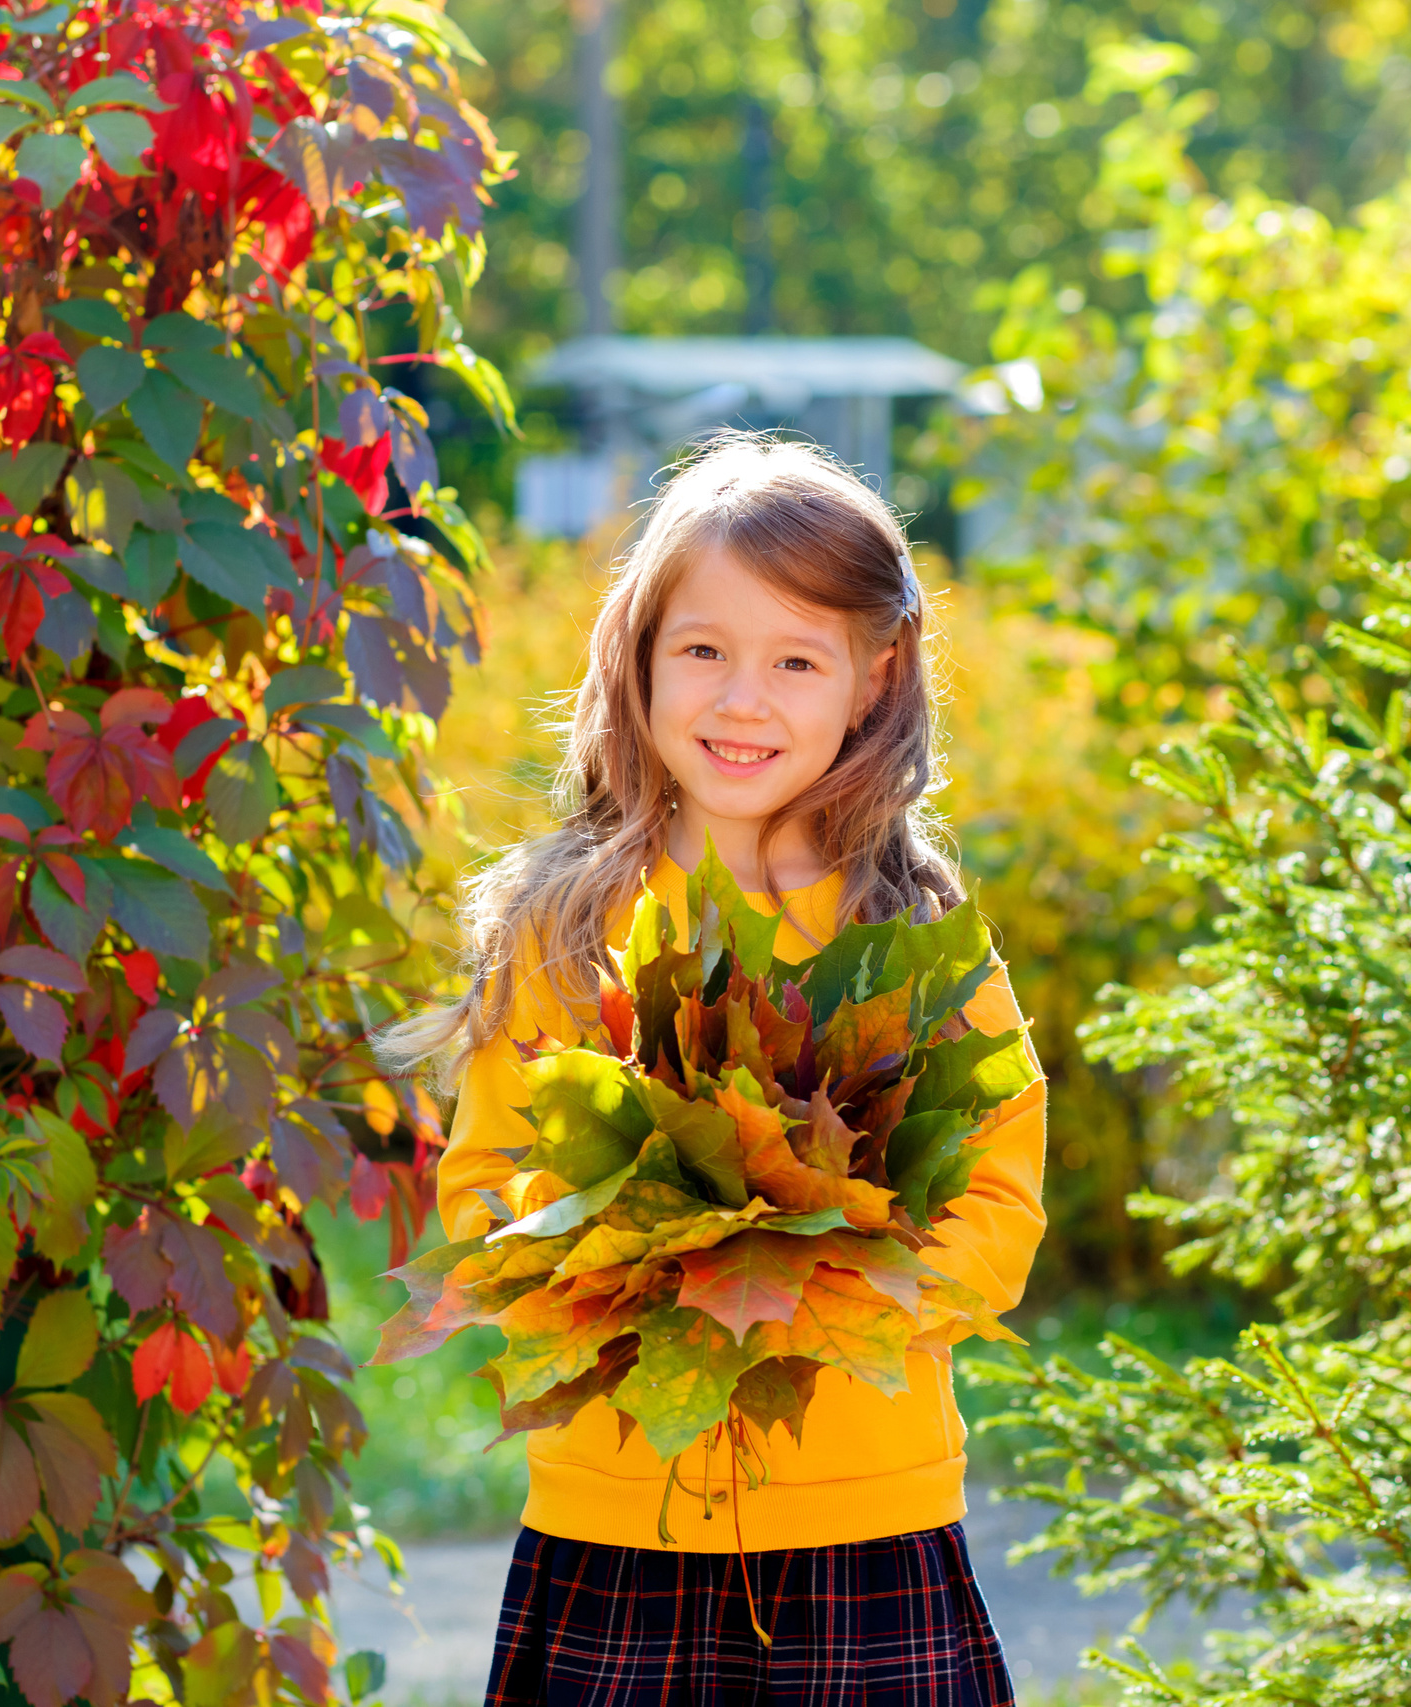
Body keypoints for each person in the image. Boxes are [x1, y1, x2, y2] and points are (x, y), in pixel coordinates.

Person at [382, 433, 1048, 1706]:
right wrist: (622, 1274)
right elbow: (480, 1195)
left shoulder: (913, 933)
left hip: (865, 1529)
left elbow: (996, 1215)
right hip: (612, 1526)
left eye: (796, 659)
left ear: (873, 677)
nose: (743, 701)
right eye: (703, 651)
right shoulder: (563, 925)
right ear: (636, 658)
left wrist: (810, 1303)